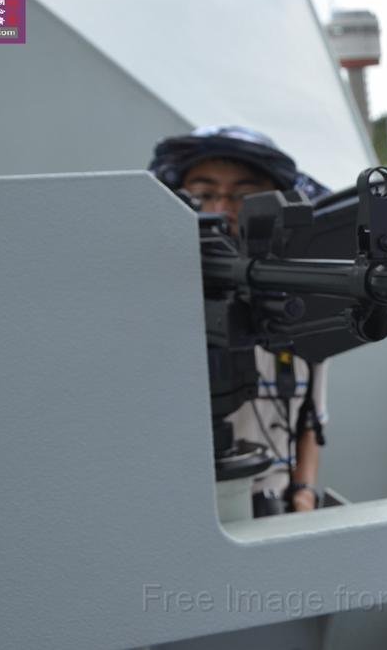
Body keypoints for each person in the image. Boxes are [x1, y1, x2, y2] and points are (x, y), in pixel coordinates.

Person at [149, 125, 332, 517]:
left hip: (274, 508)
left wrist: (303, 496)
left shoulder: (299, 310)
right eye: (203, 194)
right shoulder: (151, 311)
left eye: (244, 196)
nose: (222, 210)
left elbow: (311, 423)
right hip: (182, 512)